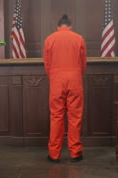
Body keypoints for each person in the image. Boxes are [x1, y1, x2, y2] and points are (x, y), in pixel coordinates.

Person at [43, 14, 87, 163]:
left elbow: (47, 65)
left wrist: (54, 77)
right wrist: (76, 76)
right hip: (75, 80)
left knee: (56, 116)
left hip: (56, 81)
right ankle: (75, 153)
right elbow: (83, 64)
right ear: (70, 26)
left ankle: (54, 154)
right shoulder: (79, 38)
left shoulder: (49, 39)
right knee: (75, 118)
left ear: (58, 27)